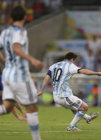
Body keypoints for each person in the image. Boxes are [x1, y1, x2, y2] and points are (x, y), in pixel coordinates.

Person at [0, 6, 43, 140]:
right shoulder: (21, 32)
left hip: (6, 74)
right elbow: (16, 48)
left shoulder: (4, 32)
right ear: (25, 17)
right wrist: (33, 60)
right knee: (32, 107)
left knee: (7, 107)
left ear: (11, 17)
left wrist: (5, 62)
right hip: (20, 76)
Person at [37, 52, 101, 131]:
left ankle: (88, 118)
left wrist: (41, 90)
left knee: (74, 108)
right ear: (72, 59)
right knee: (85, 107)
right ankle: (71, 127)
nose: (74, 62)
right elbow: (84, 71)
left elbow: (46, 78)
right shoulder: (70, 66)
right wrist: (96, 73)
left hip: (56, 96)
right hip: (63, 96)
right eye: (74, 61)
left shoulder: (53, 66)